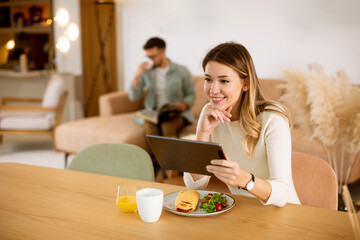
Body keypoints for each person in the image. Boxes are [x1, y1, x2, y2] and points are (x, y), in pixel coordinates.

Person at [184, 42, 300, 207]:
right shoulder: (213, 115)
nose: (213, 89)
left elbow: (282, 195)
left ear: (245, 84)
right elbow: (195, 184)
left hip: (284, 217)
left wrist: (244, 179)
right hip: (244, 213)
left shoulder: (271, 119)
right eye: (208, 79)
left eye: (224, 81)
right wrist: (202, 132)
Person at [129, 37, 195, 138]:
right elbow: (134, 96)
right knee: (150, 131)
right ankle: (158, 154)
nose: (149, 60)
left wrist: (184, 104)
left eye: (152, 57)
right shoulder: (146, 72)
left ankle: (171, 154)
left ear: (163, 52)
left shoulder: (181, 71)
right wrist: (137, 75)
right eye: (147, 57)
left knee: (167, 127)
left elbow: (191, 94)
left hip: (175, 113)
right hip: (152, 113)